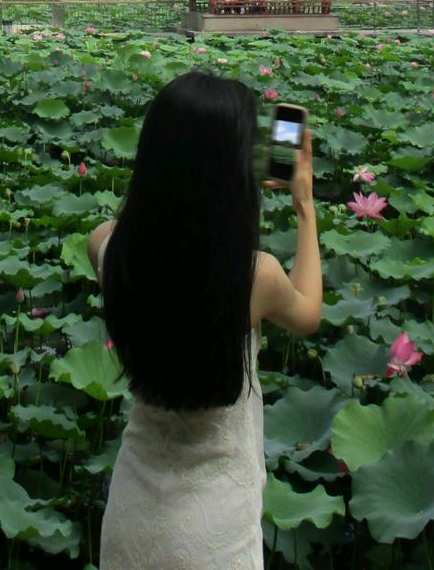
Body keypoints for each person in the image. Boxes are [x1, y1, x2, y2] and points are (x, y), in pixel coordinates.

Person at [87, 71, 322, 569]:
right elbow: (308, 313)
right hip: (215, 524)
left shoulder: (106, 248)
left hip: (131, 512)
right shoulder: (253, 277)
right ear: (231, 175)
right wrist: (304, 206)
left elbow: (155, 240)